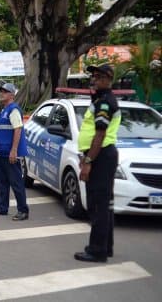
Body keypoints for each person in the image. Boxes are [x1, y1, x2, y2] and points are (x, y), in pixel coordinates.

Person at [74, 64, 120, 263]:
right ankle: (105, 247)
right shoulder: (101, 100)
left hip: (100, 156)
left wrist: (88, 161)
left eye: (99, 76)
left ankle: (96, 250)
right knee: (105, 204)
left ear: (108, 79)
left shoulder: (104, 103)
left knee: (98, 205)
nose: (94, 79)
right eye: (93, 75)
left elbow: (100, 134)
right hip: (103, 156)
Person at [0, 83, 30, 221]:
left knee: (16, 183)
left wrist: (14, 150)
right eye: (1, 91)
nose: (2, 93)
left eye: (5, 92)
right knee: (1, 182)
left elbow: (17, 129)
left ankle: (23, 210)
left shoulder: (13, 110)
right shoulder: (4, 110)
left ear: (12, 95)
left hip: (10, 154)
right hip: (2, 153)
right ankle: (2, 207)